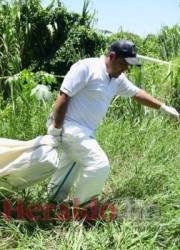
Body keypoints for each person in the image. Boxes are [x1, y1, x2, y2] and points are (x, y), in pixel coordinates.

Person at [47, 40, 179, 204]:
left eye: (128, 66)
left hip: (84, 130)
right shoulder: (87, 67)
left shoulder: (117, 78)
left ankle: (53, 200)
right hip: (69, 126)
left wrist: (164, 108)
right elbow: (63, 96)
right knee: (99, 164)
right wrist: (56, 129)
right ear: (112, 56)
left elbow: (137, 93)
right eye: (123, 63)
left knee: (71, 165)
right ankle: (81, 206)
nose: (126, 69)